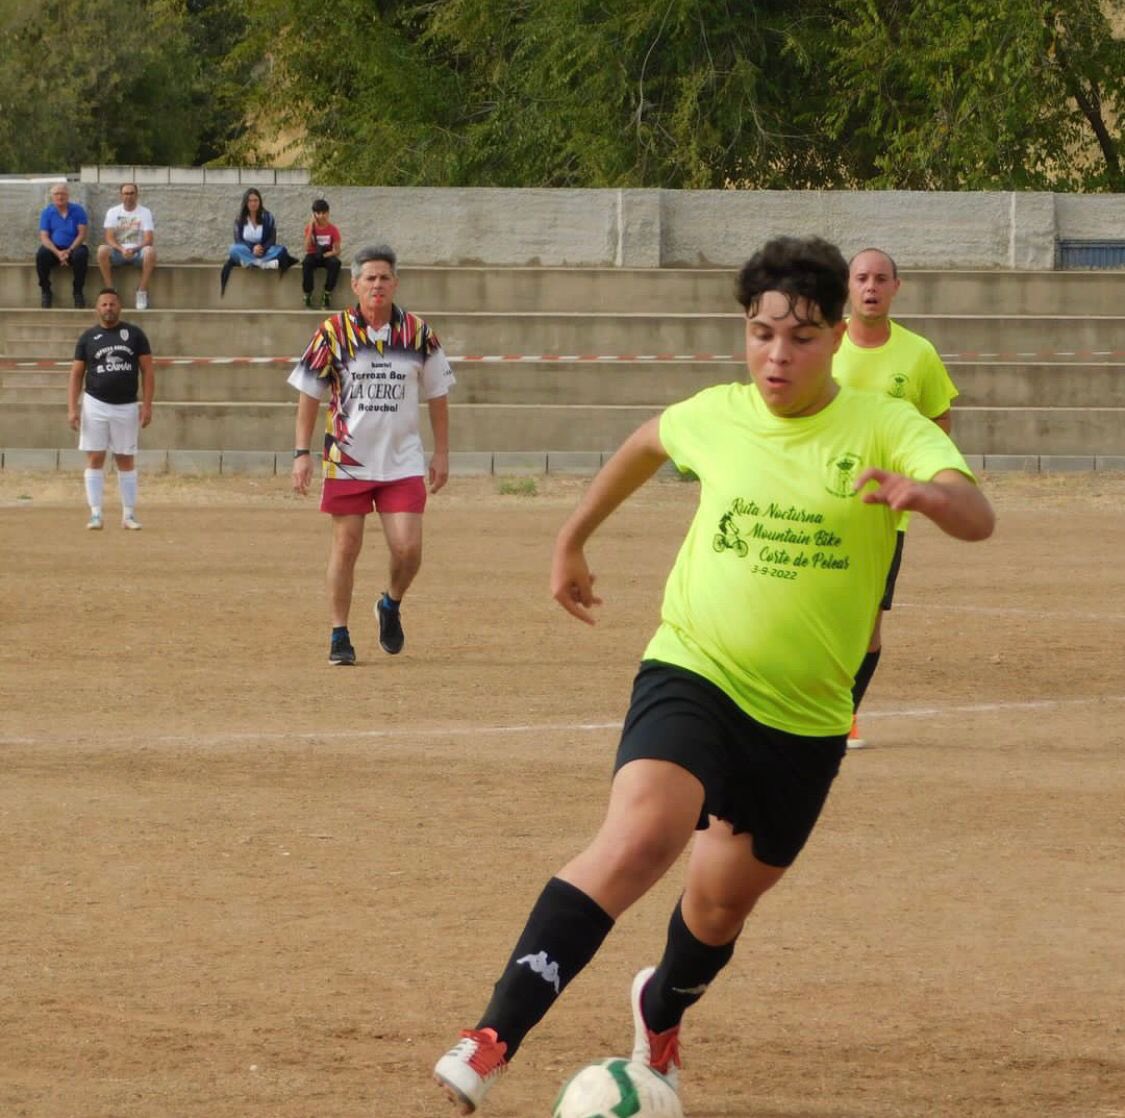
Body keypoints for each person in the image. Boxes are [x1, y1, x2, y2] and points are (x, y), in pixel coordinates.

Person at [432, 236, 994, 1115]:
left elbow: (976, 513)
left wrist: (926, 496)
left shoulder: (886, 424)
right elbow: (645, 443)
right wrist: (570, 538)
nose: (776, 354)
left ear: (838, 337)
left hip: (805, 718)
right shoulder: (717, 413)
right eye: (761, 333)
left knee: (718, 909)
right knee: (641, 838)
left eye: (801, 337)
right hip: (694, 671)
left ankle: (659, 1010)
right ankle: (493, 1035)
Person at [289, 244, 454, 665]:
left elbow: (437, 395)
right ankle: (339, 634)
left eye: (384, 278)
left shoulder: (418, 334)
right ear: (355, 284)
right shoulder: (332, 332)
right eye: (369, 278)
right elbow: (309, 395)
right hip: (349, 459)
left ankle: (390, 603)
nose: (377, 285)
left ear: (395, 283)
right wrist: (300, 453)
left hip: (402, 461)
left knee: (408, 550)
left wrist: (442, 454)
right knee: (346, 546)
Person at [832, 247, 961, 748]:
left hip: (885, 514)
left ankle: (844, 714)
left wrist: (921, 479)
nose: (871, 287)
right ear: (848, 285)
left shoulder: (918, 354)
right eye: (861, 277)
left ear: (896, 287)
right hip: (820, 499)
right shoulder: (826, 342)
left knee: (866, 620)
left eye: (880, 279)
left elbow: (939, 419)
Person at [67, 288, 155, 531]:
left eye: (112, 304)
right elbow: (76, 375)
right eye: (104, 304)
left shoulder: (135, 335)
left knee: (125, 458)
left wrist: (147, 405)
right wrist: (72, 408)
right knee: (95, 457)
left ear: (120, 307)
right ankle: (95, 514)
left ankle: (128, 515)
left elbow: (147, 371)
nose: (108, 308)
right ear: (97, 308)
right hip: (95, 403)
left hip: (126, 405)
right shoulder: (88, 338)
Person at [219, 187, 296, 295]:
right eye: (250, 201)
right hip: (247, 251)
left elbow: (272, 239)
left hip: (264, 251)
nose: (253, 203)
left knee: (281, 250)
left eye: (256, 200)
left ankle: (255, 263)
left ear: (260, 201)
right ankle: (261, 264)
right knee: (233, 249)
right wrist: (252, 248)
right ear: (246, 202)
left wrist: (262, 248)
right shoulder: (240, 218)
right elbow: (238, 240)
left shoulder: (268, 217)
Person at [97, 182, 157, 310]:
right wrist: (122, 249)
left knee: (150, 251)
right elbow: (109, 237)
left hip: (138, 252)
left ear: (137, 195)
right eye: (125, 193)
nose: (128, 196)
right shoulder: (113, 212)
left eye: (131, 193)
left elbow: (149, 239)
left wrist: (134, 249)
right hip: (118, 252)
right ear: (121, 195)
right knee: (102, 250)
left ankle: (141, 291)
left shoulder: (145, 212)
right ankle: (110, 290)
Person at [36, 181, 89, 308]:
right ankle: (46, 291)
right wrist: (58, 253)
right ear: (52, 196)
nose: (60, 197)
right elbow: (44, 237)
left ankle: (78, 292)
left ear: (68, 195)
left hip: (74, 248)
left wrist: (69, 251)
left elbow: (82, 234)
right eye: (57, 194)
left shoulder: (78, 210)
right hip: (55, 250)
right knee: (41, 254)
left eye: (63, 194)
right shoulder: (47, 212)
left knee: (81, 255)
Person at [301, 198, 343, 309]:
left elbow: (337, 251)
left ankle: (327, 295)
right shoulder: (310, 228)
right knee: (306, 263)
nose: (321, 216)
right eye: (318, 213)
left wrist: (325, 255)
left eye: (324, 212)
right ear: (314, 214)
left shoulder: (333, 229)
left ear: (328, 213)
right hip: (313, 255)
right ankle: (307, 294)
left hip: (326, 255)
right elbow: (306, 247)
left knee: (335, 263)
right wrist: (311, 226)